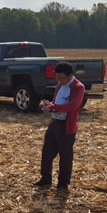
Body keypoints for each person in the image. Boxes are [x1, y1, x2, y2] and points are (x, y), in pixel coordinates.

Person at [34, 61, 85, 190]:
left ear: (70, 75)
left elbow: (72, 106)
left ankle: (63, 183)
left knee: (65, 156)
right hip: (55, 122)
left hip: (67, 125)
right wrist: (50, 104)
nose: (59, 80)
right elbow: (57, 102)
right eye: (57, 78)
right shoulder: (59, 86)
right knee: (47, 152)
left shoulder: (78, 87)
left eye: (62, 78)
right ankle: (45, 179)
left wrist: (53, 107)